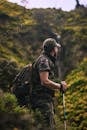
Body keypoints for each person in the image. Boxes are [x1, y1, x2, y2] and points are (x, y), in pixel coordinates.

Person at [30, 38, 67, 130]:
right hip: (41, 101)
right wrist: (60, 86)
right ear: (53, 49)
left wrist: (58, 83)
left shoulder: (44, 59)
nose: (57, 50)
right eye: (56, 48)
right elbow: (44, 81)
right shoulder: (44, 61)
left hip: (42, 100)